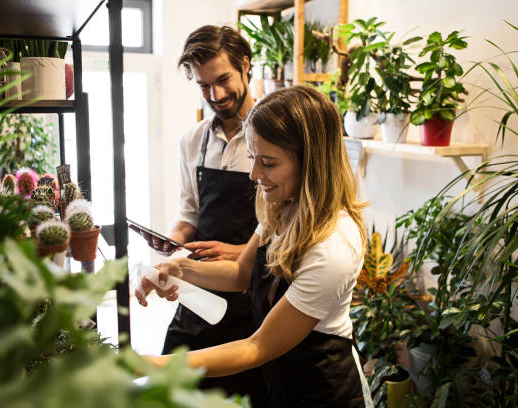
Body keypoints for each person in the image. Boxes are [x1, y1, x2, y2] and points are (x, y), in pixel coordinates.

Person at [136, 86, 374, 407]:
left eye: (268, 163)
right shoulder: (284, 204)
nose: (254, 174)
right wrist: (180, 267)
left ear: (311, 163)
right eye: (252, 157)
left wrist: (157, 364)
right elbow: (240, 272)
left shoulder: (333, 248)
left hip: (324, 392)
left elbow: (256, 347)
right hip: (282, 382)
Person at [129, 25, 266, 405]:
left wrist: (240, 252)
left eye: (223, 80)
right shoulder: (192, 141)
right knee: (175, 390)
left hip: (255, 297)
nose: (216, 95)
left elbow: (290, 230)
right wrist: (171, 252)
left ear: (245, 65)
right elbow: (189, 215)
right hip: (200, 292)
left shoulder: (274, 136)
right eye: (204, 86)